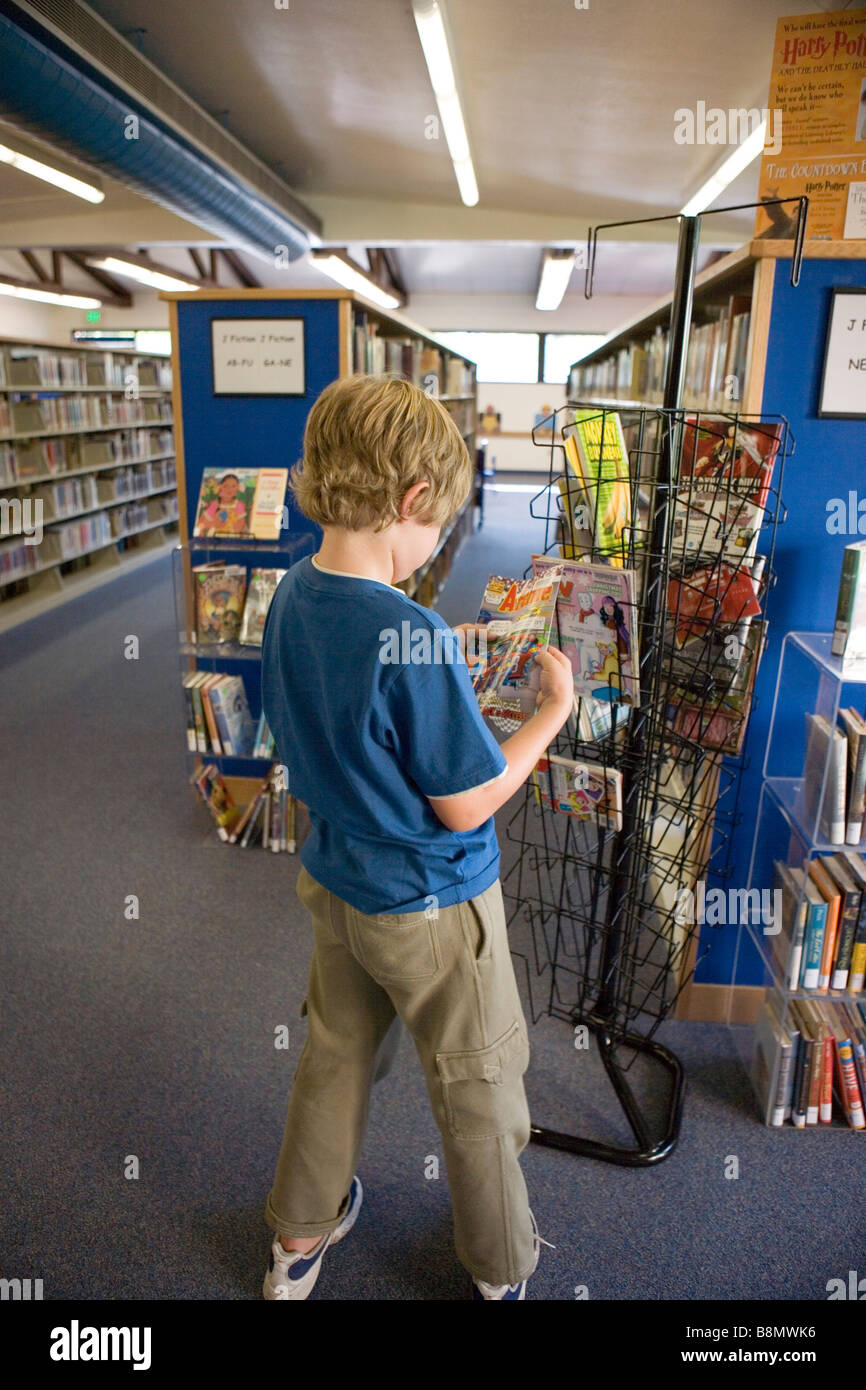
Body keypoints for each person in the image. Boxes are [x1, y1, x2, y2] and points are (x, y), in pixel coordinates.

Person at [259, 374, 574, 1301]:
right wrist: (549, 713)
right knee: (479, 1088)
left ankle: (298, 1238)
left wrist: (441, 651)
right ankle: (500, 1268)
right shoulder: (413, 629)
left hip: (337, 883)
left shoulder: (290, 594)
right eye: (437, 530)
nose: (434, 548)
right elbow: (470, 804)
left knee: (335, 1058)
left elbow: (357, 701)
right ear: (412, 502)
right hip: (434, 909)